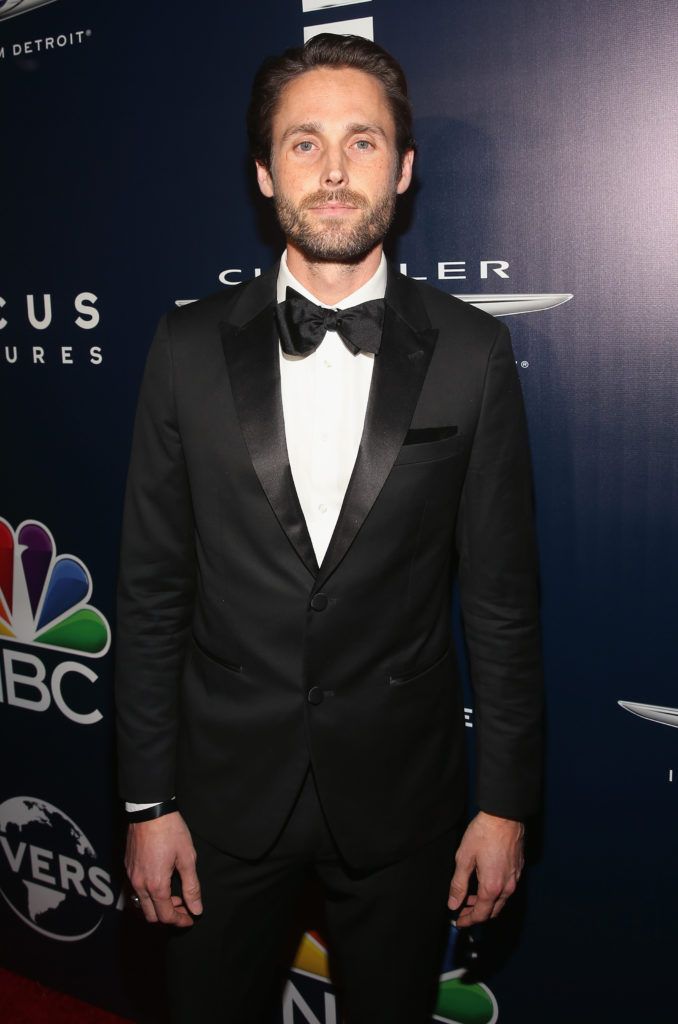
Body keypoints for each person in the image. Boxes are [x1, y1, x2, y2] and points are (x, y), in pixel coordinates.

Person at [115, 32, 543, 1024]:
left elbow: (503, 606)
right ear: (265, 174)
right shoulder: (183, 349)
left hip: (403, 797)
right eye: (305, 144)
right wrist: (146, 801)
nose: (336, 169)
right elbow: (149, 591)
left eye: (362, 141)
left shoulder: (473, 355)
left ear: (403, 166)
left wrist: (508, 801)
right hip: (219, 797)